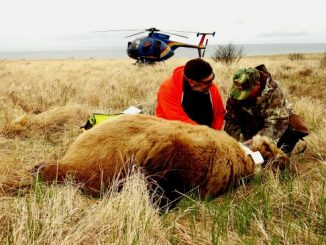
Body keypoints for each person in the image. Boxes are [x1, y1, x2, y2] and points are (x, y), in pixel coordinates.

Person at [224, 64, 308, 155]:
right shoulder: (235, 93)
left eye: (246, 92)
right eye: (239, 92)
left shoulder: (274, 91)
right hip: (250, 128)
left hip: (275, 127)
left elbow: (276, 122)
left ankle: (281, 154)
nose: (242, 95)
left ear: (258, 85)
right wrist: (241, 144)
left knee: (274, 157)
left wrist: (257, 143)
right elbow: (231, 122)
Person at [155, 58, 225, 130]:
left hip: (206, 135)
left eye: (212, 78)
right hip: (173, 133)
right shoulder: (168, 89)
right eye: (207, 82)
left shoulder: (211, 88)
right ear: (191, 82)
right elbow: (178, 120)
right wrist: (206, 134)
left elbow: (219, 114)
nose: (211, 84)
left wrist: (215, 133)